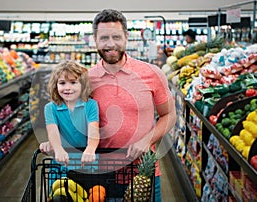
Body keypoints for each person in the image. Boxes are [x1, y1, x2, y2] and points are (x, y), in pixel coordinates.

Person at [88, 9, 176, 201]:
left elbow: (169, 114)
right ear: (94, 39)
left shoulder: (151, 73)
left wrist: (147, 140)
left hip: (144, 173)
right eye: (104, 38)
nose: (110, 44)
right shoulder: (86, 80)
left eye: (116, 37)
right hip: (102, 175)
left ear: (126, 37)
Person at [39, 60, 100, 166]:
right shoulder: (50, 108)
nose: (67, 88)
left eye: (73, 82)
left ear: (83, 85)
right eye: (62, 83)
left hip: (86, 158)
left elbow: (94, 130)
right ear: (55, 85)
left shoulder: (90, 105)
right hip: (62, 157)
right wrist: (58, 149)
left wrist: (90, 148)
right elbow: (52, 131)